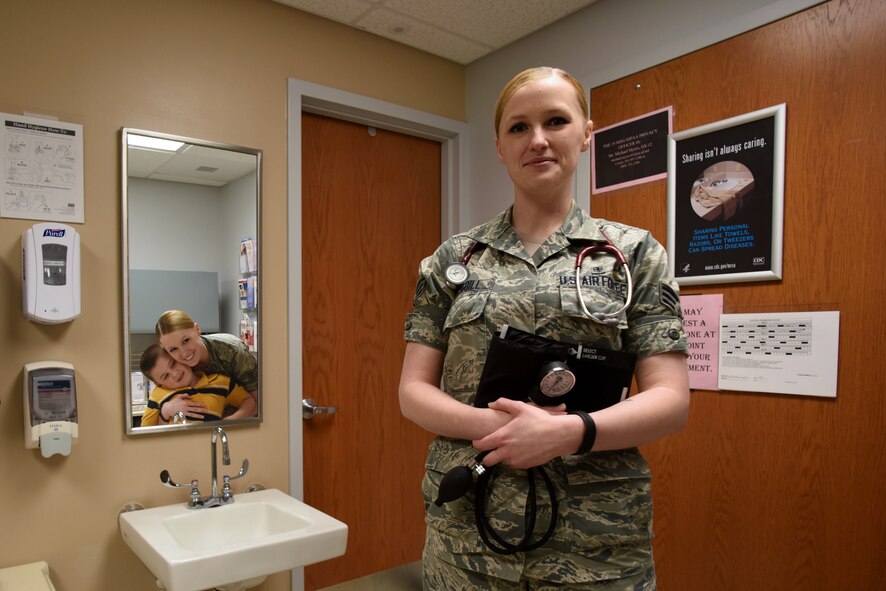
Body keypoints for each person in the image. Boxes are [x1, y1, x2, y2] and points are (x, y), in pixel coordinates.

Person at [399, 66, 690, 590]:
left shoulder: (635, 255)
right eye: (518, 128)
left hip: (595, 547)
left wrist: (567, 433)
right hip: (469, 540)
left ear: (585, 133)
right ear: (499, 146)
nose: (537, 140)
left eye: (556, 121)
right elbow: (413, 392)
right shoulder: (451, 261)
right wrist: (504, 431)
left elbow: (670, 400)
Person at [154, 309, 258, 422]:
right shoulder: (175, 367)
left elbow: (258, 404)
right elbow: (151, 428)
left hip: (241, 427)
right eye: (173, 349)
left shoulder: (233, 350)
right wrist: (165, 410)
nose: (184, 353)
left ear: (197, 330)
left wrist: (223, 424)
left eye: (186, 341)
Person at [139, 344, 256, 426]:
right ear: (158, 384)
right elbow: (145, 436)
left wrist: (228, 422)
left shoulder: (220, 382)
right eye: (165, 376)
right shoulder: (158, 395)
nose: (175, 374)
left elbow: (250, 403)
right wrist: (165, 412)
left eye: (173, 364)